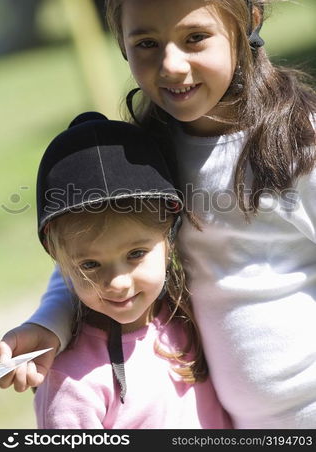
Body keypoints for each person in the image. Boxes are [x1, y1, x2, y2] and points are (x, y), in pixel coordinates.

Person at [0, 0, 316, 429]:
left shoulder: (298, 141)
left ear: (248, 19)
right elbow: (91, 251)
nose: (171, 65)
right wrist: (49, 323)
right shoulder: (141, 155)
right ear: (121, 44)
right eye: (147, 41)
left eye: (195, 38)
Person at [32, 111, 231, 429]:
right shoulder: (70, 383)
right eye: (90, 265)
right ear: (59, 258)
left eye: (136, 254)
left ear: (169, 236)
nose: (118, 282)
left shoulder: (188, 315)